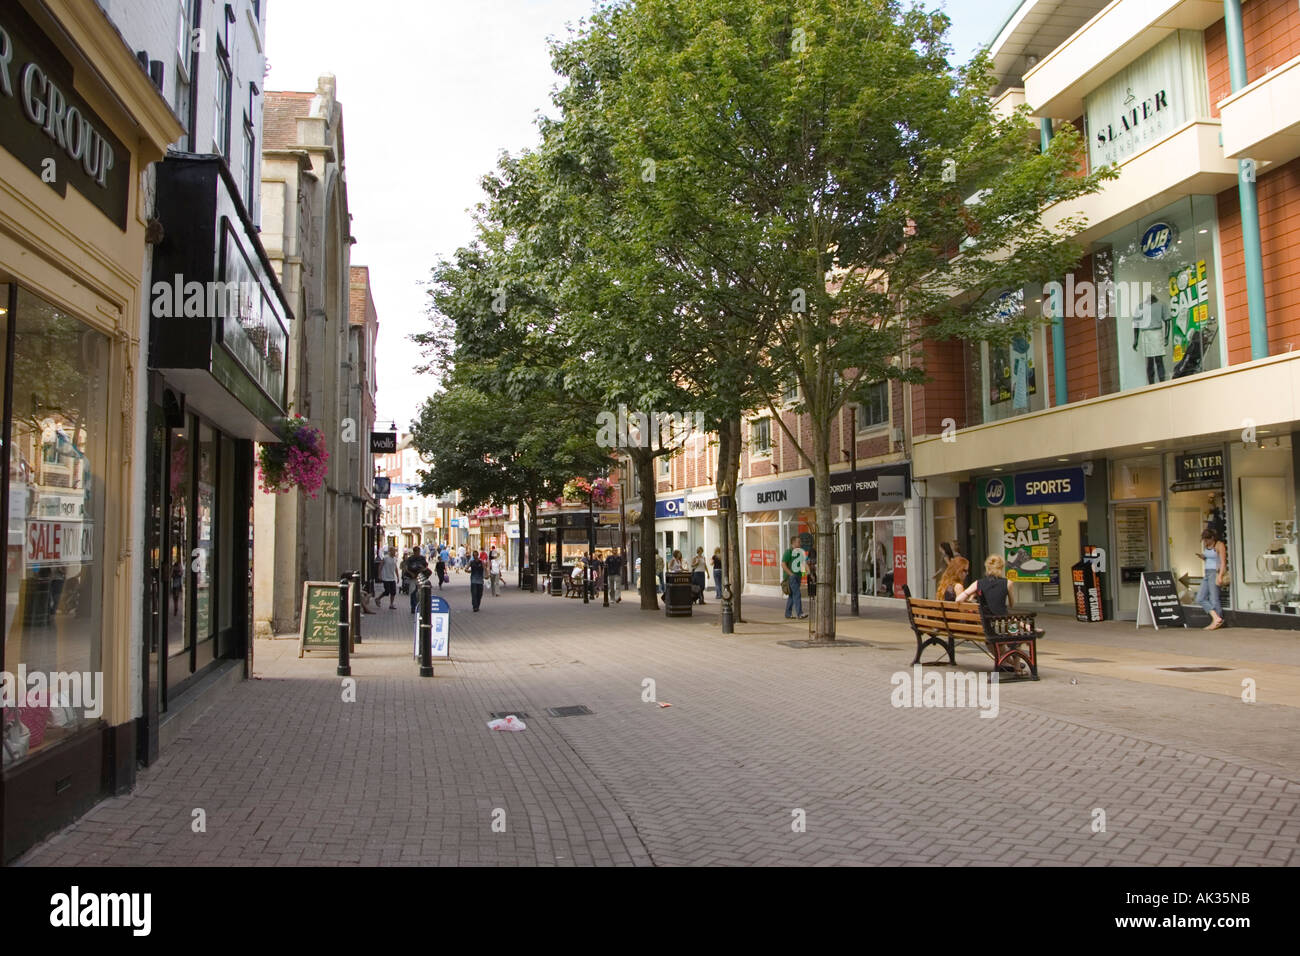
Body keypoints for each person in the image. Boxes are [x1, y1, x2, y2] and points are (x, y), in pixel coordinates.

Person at [1132, 292, 1170, 384]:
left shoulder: (1161, 304)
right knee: (1149, 362)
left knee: (1159, 359)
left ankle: (1162, 382)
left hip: (1157, 333)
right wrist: (1135, 340)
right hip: (1146, 334)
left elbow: (1167, 321)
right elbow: (1136, 324)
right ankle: (1151, 384)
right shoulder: (1140, 306)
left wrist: (1166, 336)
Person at [1196, 528, 1228, 630]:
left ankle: (1218, 619)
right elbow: (1209, 558)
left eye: (1207, 539)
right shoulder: (1207, 546)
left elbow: (1223, 562)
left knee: (1214, 598)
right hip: (1207, 572)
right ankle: (1216, 618)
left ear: (1212, 538)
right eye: (1204, 540)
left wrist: (1220, 576)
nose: (1205, 542)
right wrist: (1203, 558)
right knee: (1200, 598)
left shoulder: (1219, 545)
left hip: (1214, 572)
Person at [781, 537, 808, 619]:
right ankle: (800, 613)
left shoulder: (800, 553)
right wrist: (791, 574)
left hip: (798, 576)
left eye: (800, 542)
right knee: (797, 594)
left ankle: (788, 614)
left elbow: (803, 564)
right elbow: (783, 564)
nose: (800, 544)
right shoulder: (788, 552)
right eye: (798, 542)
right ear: (793, 543)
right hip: (791, 577)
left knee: (792, 595)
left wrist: (804, 575)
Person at [405, 548, 429, 613]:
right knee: (413, 592)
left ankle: (419, 607)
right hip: (413, 578)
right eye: (417, 552)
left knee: (420, 592)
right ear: (414, 552)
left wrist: (423, 570)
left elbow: (426, 566)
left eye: (419, 551)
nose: (418, 553)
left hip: (421, 577)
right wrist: (411, 573)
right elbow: (406, 568)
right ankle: (413, 607)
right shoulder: (410, 559)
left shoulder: (422, 558)